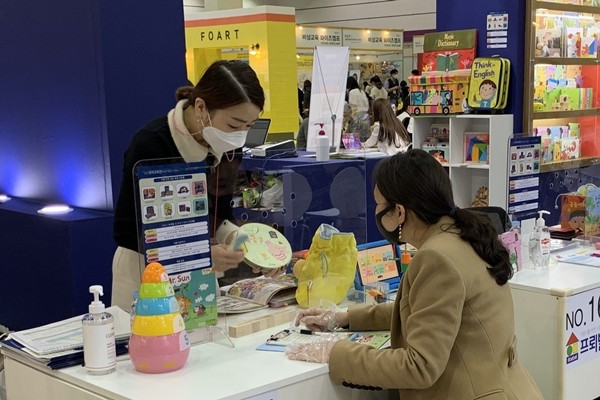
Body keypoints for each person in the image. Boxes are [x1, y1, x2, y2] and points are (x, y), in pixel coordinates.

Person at [289, 149, 544, 400]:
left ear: (399, 211)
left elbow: (420, 366)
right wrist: (346, 318)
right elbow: (426, 311)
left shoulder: (438, 257)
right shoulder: (462, 236)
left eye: (379, 204)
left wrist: (335, 353)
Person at [111, 60, 279, 311]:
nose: (239, 136)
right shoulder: (152, 144)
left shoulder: (228, 149)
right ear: (201, 107)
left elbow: (220, 213)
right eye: (234, 125)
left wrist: (237, 238)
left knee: (199, 345)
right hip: (144, 274)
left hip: (198, 284)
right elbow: (127, 231)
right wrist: (198, 254)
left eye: (249, 126)